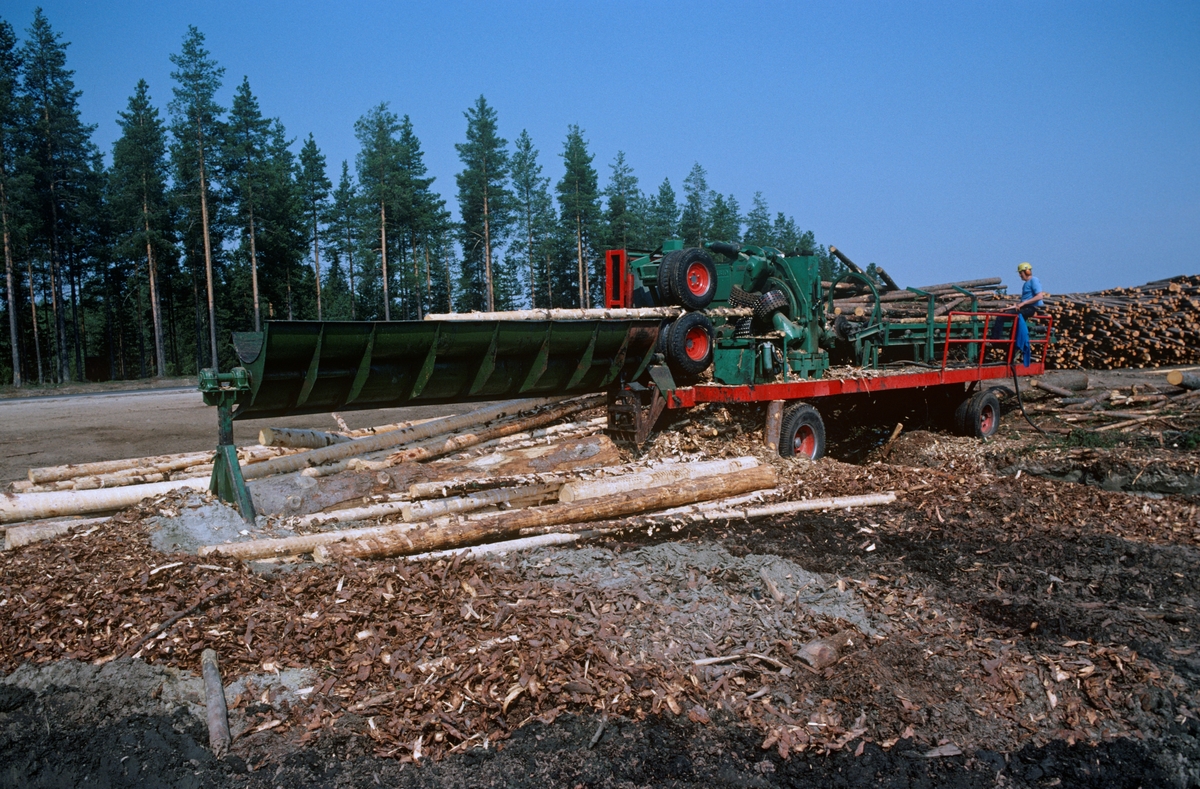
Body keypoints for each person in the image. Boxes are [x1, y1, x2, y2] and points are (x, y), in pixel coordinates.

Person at [989, 262, 1047, 345]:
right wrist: (1006, 309)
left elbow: (1039, 296)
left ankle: (995, 341)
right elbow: (1020, 304)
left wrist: (1023, 304)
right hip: (1025, 308)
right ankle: (1011, 344)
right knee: (1006, 318)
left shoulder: (1034, 280)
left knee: (1001, 318)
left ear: (1026, 271)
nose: (1020, 275)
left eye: (1020, 273)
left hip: (1029, 309)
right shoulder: (1026, 284)